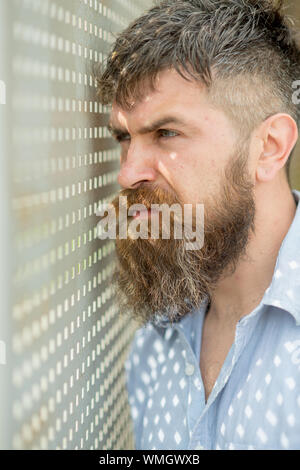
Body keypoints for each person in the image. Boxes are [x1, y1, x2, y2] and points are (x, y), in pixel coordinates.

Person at [96, 0, 300, 449]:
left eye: (166, 133)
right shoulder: (154, 343)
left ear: (268, 147)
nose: (128, 174)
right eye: (125, 138)